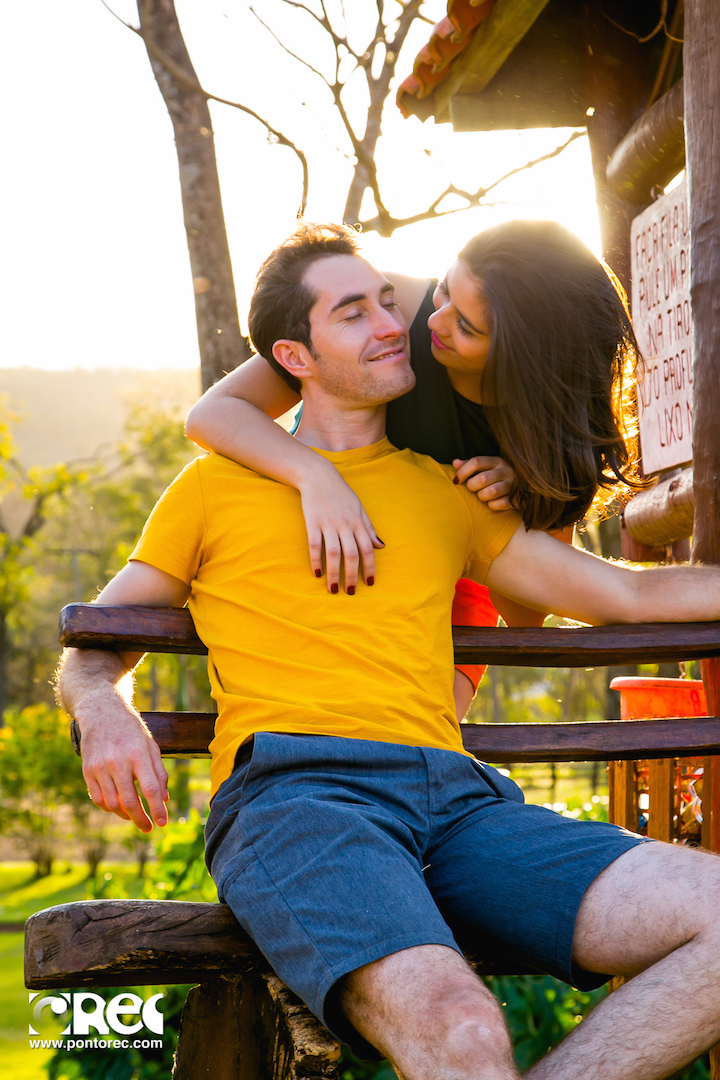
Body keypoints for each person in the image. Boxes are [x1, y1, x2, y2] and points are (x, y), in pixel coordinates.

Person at [58, 224, 720, 1080]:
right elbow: (97, 640)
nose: (397, 321)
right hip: (297, 797)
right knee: (466, 1035)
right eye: (354, 312)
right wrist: (102, 706)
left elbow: (626, 593)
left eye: (387, 301)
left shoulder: (454, 493)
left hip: (460, 804)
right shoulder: (215, 486)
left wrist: (515, 489)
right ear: (295, 355)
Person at [185, 219, 643, 714]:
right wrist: (317, 477)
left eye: (465, 326)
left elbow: (527, 615)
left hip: (454, 584)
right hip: (343, 539)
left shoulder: (551, 436)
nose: (432, 322)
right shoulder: (397, 307)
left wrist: (520, 497)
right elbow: (212, 414)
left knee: (422, 731)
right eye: (444, 290)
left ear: (525, 356)